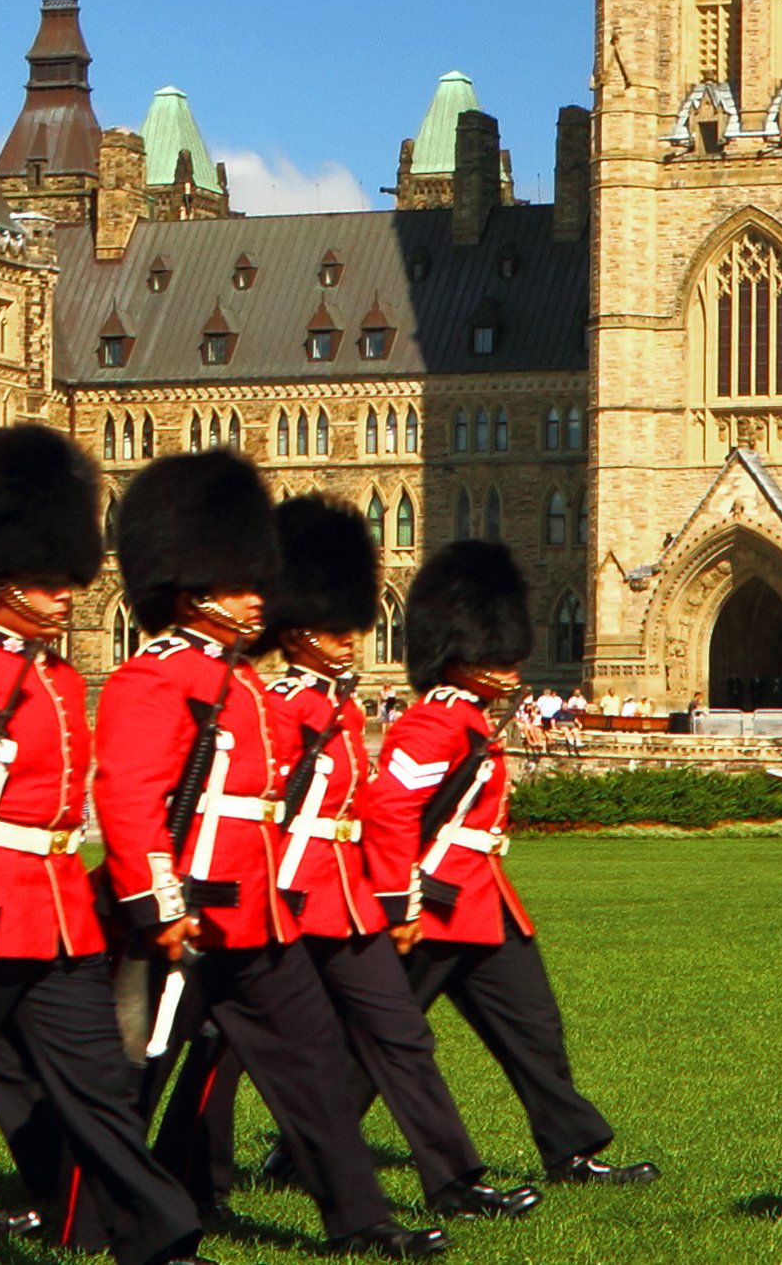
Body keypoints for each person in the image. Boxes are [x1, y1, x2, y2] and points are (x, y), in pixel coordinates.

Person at [0, 423, 203, 1265]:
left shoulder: (51, 675)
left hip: (54, 920)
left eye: (66, 579)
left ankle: (164, 1241)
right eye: (47, 582)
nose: (66, 598)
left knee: (102, 1094)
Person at [91, 451, 440, 1258]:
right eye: (243, 583)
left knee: (314, 1069)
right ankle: (87, 1218)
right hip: (183, 910)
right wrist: (157, 901)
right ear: (193, 589)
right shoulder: (155, 678)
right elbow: (131, 797)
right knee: (131, 1074)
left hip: (254, 910)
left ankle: (361, 1219)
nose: (261, 598)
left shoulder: (240, 682)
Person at [181, 494, 528, 1226]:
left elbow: (359, 815)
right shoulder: (279, 704)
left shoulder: (336, 706)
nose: (349, 640)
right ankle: (198, 1176)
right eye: (333, 628)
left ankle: (454, 1178)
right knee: (226, 1048)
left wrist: (394, 896)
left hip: (344, 895)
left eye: (351, 626)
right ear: (297, 631)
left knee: (400, 1032)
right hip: (282, 892)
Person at [362, 541, 652, 1191]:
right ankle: (305, 1147)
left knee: (533, 1027)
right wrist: (396, 905)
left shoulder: (471, 720)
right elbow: (390, 815)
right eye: (498, 649)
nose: (513, 663)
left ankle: (571, 1148)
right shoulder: (432, 724)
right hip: (431, 907)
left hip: (483, 903)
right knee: (381, 1041)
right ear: (463, 653)